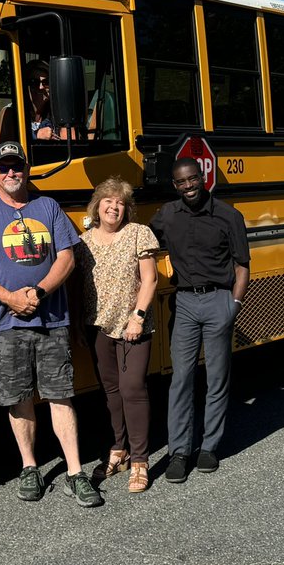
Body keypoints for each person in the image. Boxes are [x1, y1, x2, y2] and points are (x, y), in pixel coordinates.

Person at [0, 141, 103, 508]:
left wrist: (37, 292)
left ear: (26, 170)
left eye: (17, 167)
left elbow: (67, 258)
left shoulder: (48, 207)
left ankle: (73, 472)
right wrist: (10, 298)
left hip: (51, 319)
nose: (10, 174)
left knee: (59, 395)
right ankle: (30, 467)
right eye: (3, 167)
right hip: (5, 323)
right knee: (18, 398)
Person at [149, 157, 250, 483]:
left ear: (203, 177)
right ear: (175, 185)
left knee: (217, 377)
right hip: (186, 303)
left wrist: (233, 303)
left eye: (193, 179)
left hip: (218, 300)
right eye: (181, 182)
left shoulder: (228, 216)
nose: (188, 186)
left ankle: (209, 447)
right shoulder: (167, 214)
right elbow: (141, 239)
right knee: (181, 379)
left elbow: (242, 266)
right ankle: (180, 451)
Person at [74, 177, 159, 493]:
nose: (114, 207)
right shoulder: (83, 243)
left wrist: (137, 318)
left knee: (133, 387)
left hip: (134, 325)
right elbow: (78, 287)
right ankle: (119, 449)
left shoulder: (138, 234)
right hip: (98, 327)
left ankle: (140, 460)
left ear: (127, 209)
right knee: (110, 391)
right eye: (109, 201)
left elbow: (149, 280)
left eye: (121, 203)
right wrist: (77, 327)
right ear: (98, 206)